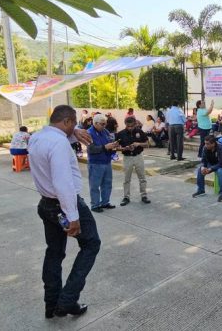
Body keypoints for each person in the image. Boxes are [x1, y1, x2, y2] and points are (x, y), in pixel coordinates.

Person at [28, 105, 101, 319]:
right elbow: (62, 182)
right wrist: (74, 216)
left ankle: (51, 304)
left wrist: (73, 133)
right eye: (74, 123)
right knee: (91, 244)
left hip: (46, 205)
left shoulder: (38, 137)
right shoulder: (59, 143)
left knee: (54, 252)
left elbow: (54, 147)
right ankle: (68, 300)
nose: (77, 126)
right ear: (68, 121)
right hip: (65, 204)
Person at [86, 114, 119, 213]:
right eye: (102, 124)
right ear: (95, 123)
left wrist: (113, 145)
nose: (104, 126)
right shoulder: (89, 133)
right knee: (95, 185)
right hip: (95, 163)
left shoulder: (105, 131)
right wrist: (105, 147)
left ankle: (105, 202)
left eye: (105, 124)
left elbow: (109, 142)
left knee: (107, 184)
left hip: (106, 161)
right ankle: (95, 205)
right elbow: (91, 149)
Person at [116, 116, 150, 205]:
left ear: (135, 124)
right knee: (126, 179)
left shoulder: (139, 132)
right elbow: (116, 147)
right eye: (128, 126)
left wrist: (138, 144)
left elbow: (147, 144)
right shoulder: (120, 134)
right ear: (125, 125)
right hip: (127, 158)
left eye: (132, 126)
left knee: (142, 178)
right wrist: (124, 148)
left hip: (138, 156)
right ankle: (126, 197)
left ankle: (144, 195)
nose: (130, 128)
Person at [192, 135, 222, 200]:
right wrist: (203, 167)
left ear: (213, 144)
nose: (205, 145)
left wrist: (210, 169)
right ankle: (201, 190)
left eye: (207, 144)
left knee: (220, 172)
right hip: (212, 163)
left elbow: (221, 163)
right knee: (200, 170)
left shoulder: (221, 148)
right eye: (205, 143)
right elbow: (203, 160)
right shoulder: (205, 148)